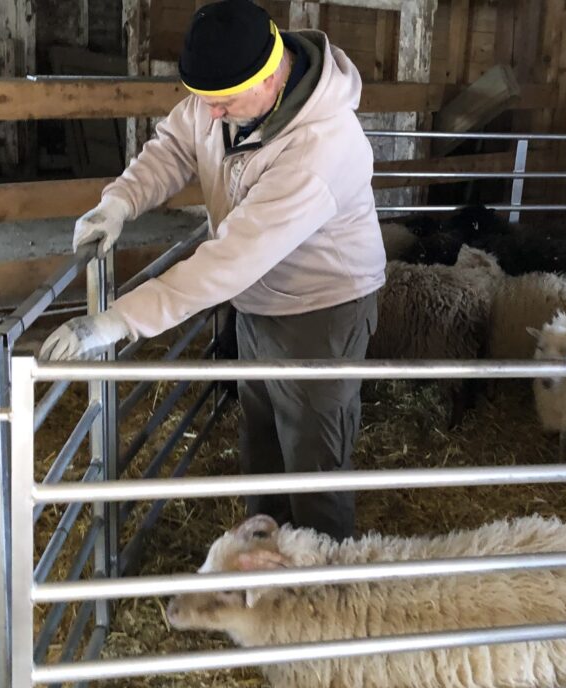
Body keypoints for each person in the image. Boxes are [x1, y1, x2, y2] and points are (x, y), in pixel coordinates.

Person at [39, 0, 385, 541]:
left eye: (222, 103)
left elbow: (229, 260)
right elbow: (175, 146)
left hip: (321, 305)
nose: (212, 113)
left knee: (312, 451)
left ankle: (322, 592)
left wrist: (118, 320)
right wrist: (120, 202)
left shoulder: (322, 146)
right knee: (264, 436)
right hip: (259, 298)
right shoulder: (226, 97)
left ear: (271, 75)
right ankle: (268, 564)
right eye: (205, 102)